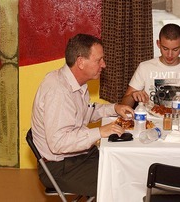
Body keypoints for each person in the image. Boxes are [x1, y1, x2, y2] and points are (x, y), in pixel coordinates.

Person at [31, 33, 135, 197]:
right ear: (80, 62)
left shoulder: (75, 83)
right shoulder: (58, 91)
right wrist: (100, 132)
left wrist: (115, 108)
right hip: (61, 168)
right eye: (98, 60)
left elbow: (87, 111)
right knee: (123, 182)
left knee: (126, 165)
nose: (104, 65)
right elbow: (58, 143)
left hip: (78, 157)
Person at [121, 23, 180, 112]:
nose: (170, 54)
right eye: (165, 49)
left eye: (175, 49)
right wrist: (133, 96)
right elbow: (124, 106)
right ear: (158, 44)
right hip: (150, 123)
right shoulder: (145, 67)